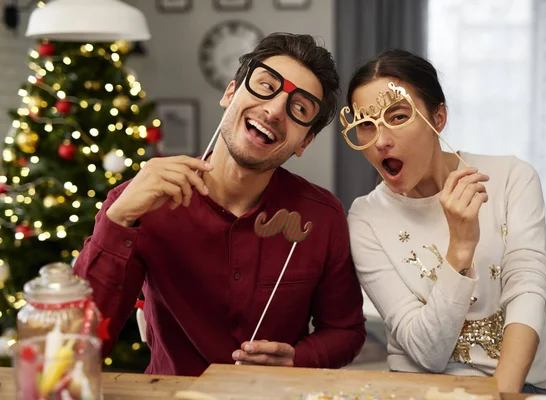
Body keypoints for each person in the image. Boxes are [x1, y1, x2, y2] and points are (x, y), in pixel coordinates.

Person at [74, 32, 366, 376]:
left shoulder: (321, 216)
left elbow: (346, 332)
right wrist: (118, 219)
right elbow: (79, 344)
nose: (274, 110)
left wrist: (298, 358)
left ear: (305, 141)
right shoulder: (142, 203)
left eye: (299, 108)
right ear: (230, 93)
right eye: (265, 86)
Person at [342, 49, 546, 394]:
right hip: (420, 389)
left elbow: (527, 289)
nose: (380, 141)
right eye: (365, 125)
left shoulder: (513, 178)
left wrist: (499, 394)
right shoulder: (365, 218)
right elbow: (428, 354)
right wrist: (460, 247)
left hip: (516, 387)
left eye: (397, 117)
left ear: (438, 118)